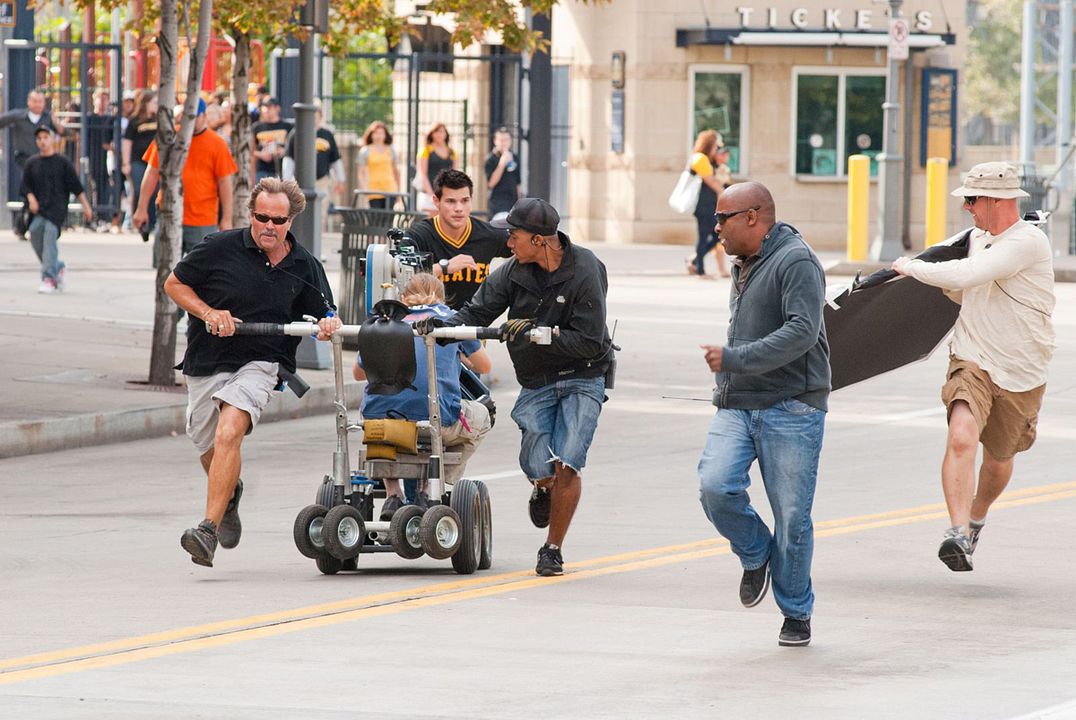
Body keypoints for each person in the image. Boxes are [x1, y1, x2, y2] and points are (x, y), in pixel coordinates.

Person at [415, 197, 614, 578]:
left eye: (514, 236)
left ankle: (552, 549)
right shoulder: (510, 273)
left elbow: (590, 341)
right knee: (535, 461)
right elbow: (475, 313)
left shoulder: (586, 269)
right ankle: (542, 486)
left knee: (568, 459)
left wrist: (541, 335)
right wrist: (438, 327)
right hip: (537, 379)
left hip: (584, 373)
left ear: (539, 240)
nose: (508, 243)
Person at [164, 177, 342, 568]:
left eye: (278, 220)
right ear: (251, 214)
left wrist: (329, 323)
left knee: (230, 430)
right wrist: (209, 313)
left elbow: (327, 311)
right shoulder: (218, 247)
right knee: (209, 448)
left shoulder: (304, 265)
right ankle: (229, 494)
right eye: (262, 217)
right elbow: (174, 284)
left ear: (291, 220)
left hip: (263, 362)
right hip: (207, 359)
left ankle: (206, 531)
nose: (269, 226)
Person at [891, 161, 1055, 573]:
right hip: (973, 358)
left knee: (999, 458)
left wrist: (911, 266)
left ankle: (977, 516)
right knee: (961, 434)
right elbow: (963, 287)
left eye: (971, 199)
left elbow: (971, 275)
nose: (966, 208)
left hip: (1022, 368)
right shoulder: (975, 239)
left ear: (995, 201)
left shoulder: (1028, 243)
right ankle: (957, 532)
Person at [697, 181, 829, 648]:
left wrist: (734, 359)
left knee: (793, 517)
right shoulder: (745, 261)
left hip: (792, 406)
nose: (715, 227)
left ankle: (796, 612)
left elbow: (802, 332)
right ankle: (756, 553)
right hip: (739, 402)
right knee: (714, 487)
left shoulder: (795, 261)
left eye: (722, 218)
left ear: (753, 217)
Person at [353, 273, 492, 519]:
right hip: (436, 422)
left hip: (381, 424)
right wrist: (458, 353)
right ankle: (430, 487)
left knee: (381, 412)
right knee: (482, 415)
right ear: (442, 297)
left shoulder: (384, 323)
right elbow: (484, 366)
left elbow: (358, 373)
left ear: (403, 297)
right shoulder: (451, 321)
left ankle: (393, 493)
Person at [134, 98, 237, 256]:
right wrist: (141, 209)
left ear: (203, 116)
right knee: (166, 268)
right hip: (169, 212)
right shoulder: (168, 138)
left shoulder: (217, 144)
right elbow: (151, 173)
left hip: (203, 219)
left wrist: (227, 219)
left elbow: (225, 182)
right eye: (186, 116)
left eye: (194, 117)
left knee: (201, 272)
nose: (189, 121)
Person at [404, 168, 513, 309]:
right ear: (436, 201)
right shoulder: (419, 235)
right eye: (450, 201)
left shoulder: (488, 234)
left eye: (465, 200)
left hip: (472, 325)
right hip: (428, 325)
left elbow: (524, 250)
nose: (459, 208)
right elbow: (402, 275)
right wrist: (444, 267)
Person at [20, 126, 94, 293]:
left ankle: (49, 278)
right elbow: (25, 186)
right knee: (35, 234)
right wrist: (31, 199)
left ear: (53, 139)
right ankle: (57, 266)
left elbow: (76, 187)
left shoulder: (63, 163)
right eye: (39, 138)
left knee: (49, 238)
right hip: (39, 209)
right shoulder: (32, 163)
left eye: (46, 137)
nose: (42, 141)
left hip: (56, 209)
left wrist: (86, 207)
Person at [0, 89, 63, 236]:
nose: (38, 104)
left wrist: (57, 123)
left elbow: (63, 133)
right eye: (35, 101)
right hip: (24, 159)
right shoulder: (18, 116)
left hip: (44, 161)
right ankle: (24, 225)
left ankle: (25, 224)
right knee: (32, 188)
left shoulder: (48, 118)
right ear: (29, 102)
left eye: (41, 101)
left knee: (36, 191)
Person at [282, 104, 345, 228]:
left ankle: (318, 236)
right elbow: (289, 159)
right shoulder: (296, 134)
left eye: (315, 116)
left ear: (320, 118)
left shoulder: (327, 135)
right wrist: (287, 180)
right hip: (299, 182)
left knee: (320, 212)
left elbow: (335, 159)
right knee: (299, 211)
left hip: (321, 180)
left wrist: (341, 180)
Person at [686, 130, 732, 278]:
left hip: (710, 205)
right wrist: (724, 194)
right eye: (715, 146)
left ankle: (694, 260)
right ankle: (700, 270)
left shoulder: (708, 160)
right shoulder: (700, 159)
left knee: (714, 236)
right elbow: (711, 181)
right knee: (707, 236)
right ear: (709, 145)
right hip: (703, 205)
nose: (716, 149)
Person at [122, 89, 159, 242]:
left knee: (154, 191)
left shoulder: (160, 120)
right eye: (154, 102)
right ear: (146, 104)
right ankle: (139, 220)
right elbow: (127, 143)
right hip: (138, 161)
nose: (157, 105)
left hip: (155, 162)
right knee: (138, 190)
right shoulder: (135, 120)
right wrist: (126, 163)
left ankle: (150, 221)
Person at [356, 120, 400, 209]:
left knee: (388, 219)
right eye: (376, 133)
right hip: (373, 190)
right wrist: (365, 189)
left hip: (390, 189)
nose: (378, 136)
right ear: (371, 135)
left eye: (381, 133)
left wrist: (398, 191)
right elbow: (361, 172)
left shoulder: (391, 150)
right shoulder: (365, 151)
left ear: (385, 135)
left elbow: (396, 172)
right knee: (376, 219)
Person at [415, 122, 457, 215]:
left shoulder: (452, 152)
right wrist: (431, 195)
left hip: (445, 196)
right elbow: (423, 175)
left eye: (442, 132)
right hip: (428, 194)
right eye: (437, 132)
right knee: (430, 225)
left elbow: (454, 175)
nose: (440, 134)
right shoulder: (425, 151)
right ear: (432, 134)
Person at [484, 126, 523, 216]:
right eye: (501, 140)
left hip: (512, 202)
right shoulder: (491, 159)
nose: (504, 143)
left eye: (506, 140)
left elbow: (518, 182)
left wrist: (519, 202)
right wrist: (502, 163)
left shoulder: (514, 157)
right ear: (495, 141)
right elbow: (491, 183)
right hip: (498, 203)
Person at [251, 96, 290, 184]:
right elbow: (250, 150)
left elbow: (295, 147)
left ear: (277, 108)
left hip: (282, 170)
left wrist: (284, 151)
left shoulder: (287, 127)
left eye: (269, 107)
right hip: (262, 170)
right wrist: (261, 154)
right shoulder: (256, 127)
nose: (266, 109)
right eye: (264, 107)